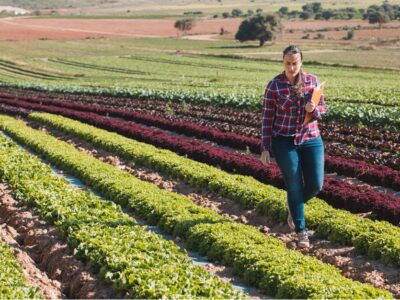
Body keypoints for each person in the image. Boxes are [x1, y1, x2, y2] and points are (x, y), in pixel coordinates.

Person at [259, 45, 327, 248]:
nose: (291, 67)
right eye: (287, 63)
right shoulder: (274, 85)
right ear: (283, 62)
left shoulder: (312, 81)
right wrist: (265, 147)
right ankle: (301, 231)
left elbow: (323, 107)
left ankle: (293, 205)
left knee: (316, 185)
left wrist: (314, 110)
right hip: (284, 140)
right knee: (294, 183)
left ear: (301, 62)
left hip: (311, 137)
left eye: (294, 63)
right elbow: (266, 118)